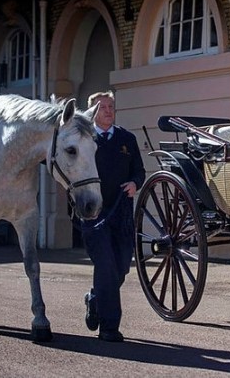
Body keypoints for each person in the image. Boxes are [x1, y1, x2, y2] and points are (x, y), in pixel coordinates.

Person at [80, 90, 145, 342]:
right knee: (106, 266)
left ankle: (95, 299)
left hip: (122, 215)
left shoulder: (127, 138)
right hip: (94, 215)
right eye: (102, 107)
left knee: (120, 268)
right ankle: (109, 328)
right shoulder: (84, 140)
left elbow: (139, 171)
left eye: (111, 106)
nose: (108, 110)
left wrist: (135, 184)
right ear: (92, 113)